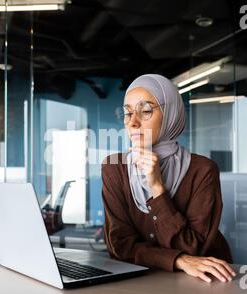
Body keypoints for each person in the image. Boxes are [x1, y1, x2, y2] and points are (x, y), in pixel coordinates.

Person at [101, 74, 235, 283]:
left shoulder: (203, 170)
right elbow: (121, 247)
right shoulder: (114, 168)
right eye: (127, 113)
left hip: (206, 280)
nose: (133, 123)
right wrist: (180, 260)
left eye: (145, 111)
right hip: (145, 280)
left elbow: (193, 248)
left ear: (170, 114)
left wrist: (157, 187)